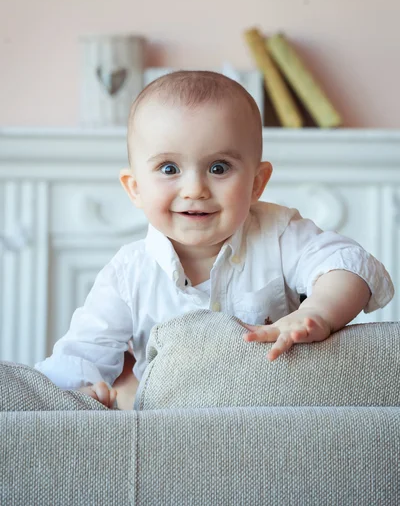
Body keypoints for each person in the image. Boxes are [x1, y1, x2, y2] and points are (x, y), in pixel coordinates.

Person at [35, 71, 394, 408]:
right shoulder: (128, 273)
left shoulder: (280, 234)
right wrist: (82, 391)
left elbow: (350, 265)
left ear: (256, 182)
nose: (195, 189)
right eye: (169, 169)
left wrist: (318, 312)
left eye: (219, 167)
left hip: (273, 419)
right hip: (170, 430)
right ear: (135, 188)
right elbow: (80, 354)